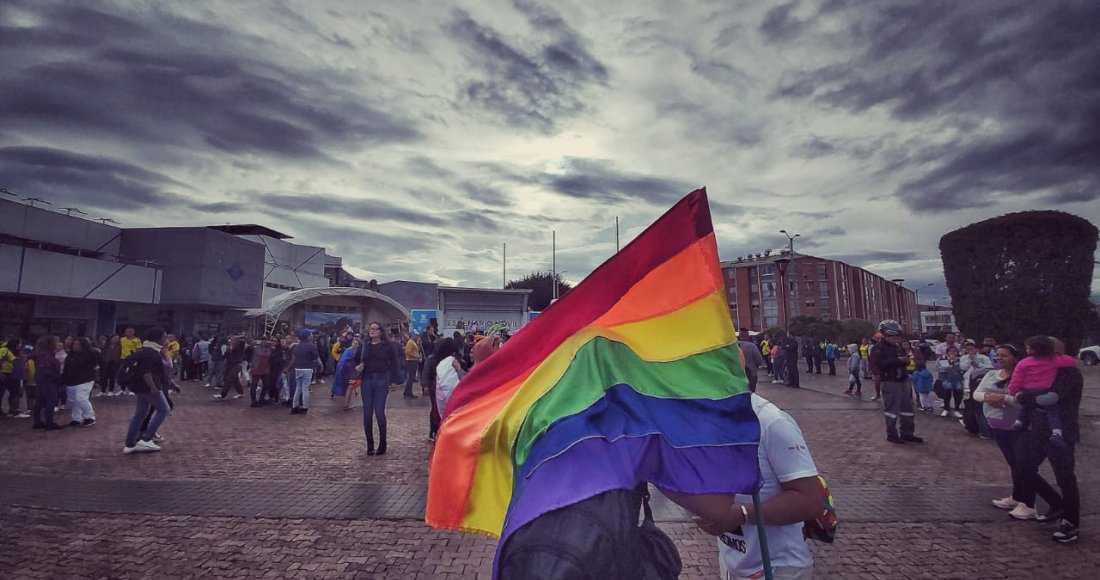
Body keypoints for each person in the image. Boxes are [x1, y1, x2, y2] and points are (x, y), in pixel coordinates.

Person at [671, 392, 822, 579]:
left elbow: (811, 499)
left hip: (778, 568)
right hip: (731, 564)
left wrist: (742, 515)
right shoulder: (703, 419)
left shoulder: (771, 422)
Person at [1007, 335, 1076, 447]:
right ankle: (1057, 432)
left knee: (1026, 405)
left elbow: (1016, 379)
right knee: (1052, 411)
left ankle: (1019, 422)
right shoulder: (1053, 360)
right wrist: (1058, 356)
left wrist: (1013, 391)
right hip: (1044, 389)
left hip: (1027, 389)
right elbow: (1071, 361)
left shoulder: (1024, 362)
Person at [870, 320, 922, 444]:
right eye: (891, 336)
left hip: (903, 380)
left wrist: (906, 361)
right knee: (892, 410)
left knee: (907, 409)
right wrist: (898, 360)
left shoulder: (898, 347)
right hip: (890, 381)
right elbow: (879, 364)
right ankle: (892, 434)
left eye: (896, 336)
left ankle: (907, 433)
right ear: (884, 334)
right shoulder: (878, 348)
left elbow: (905, 360)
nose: (894, 338)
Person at [122, 327, 172, 454]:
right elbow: (147, 371)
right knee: (164, 409)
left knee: (140, 414)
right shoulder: (152, 353)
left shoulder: (143, 351)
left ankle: (130, 443)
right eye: (164, 337)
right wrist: (153, 387)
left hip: (138, 386)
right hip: (148, 387)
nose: (165, 339)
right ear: (159, 338)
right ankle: (146, 438)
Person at [355, 322, 399, 454]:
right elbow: (356, 360)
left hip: (381, 379)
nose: (372, 331)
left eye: (375, 329)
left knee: (379, 412)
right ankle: (370, 445)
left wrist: (394, 381)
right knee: (367, 413)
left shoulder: (388, 346)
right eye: (370, 329)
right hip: (367, 379)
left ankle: (383, 443)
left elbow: (395, 363)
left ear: (381, 331)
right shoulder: (364, 346)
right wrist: (358, 367)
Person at [424, 337, 459, 442]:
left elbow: (426, 372)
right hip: (437, 386)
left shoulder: (433, 358)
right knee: (438, 408)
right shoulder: (452, 360)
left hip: (435, 386)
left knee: (436, 409)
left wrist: (425, 385)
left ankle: (435, 430)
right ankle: (436, 430)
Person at [62, 337, 100, 427]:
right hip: (72, 380)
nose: (76, 346)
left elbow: (100, 362)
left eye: (78, 344)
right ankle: (76, 418)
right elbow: (66, 368)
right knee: (74, 400)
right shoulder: (71, 355)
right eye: (75, 344)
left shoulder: (91, 353)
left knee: (81, 398)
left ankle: (89, 417)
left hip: (85, 380)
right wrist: (64, 380)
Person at [30, 335, 63, 430]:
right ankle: (49, 423)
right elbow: (48, 370)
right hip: (49, 381)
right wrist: (58, 378)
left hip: (40, 380)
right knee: (50, 402)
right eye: (56, 342)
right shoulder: (47, 356)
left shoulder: (39, 354)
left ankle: (37, 422)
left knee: (39, 401)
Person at [287, 330, 321, 415]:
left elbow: (294, 357)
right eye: (311, 334)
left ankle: (294, 407)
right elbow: (315, 357)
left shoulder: (297, 346)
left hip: (298, 368)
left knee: (298, 388)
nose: (312, 336)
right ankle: (305, 407)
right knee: (305, 388)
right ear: (307, 336)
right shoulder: (311, 346)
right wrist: (319, 365)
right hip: (307, 368)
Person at [936, 346, 965, 418]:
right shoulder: (942, 359)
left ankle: (957, 410)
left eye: (954, 351)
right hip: (946, 379)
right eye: (950, 351)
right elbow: (940, 368)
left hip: (957, 379)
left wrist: (955, 363)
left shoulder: (960, 359)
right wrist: (948, 366)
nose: (952, 353)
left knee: (958, 395)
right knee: (946, 394)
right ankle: (946, 409)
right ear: (947, 352)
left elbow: (962, 368)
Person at [1, 338, 26, 416]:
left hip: (11, 373)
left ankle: (12, 409)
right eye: (19, 343)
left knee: (14, 391)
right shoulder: (4, 349)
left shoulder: (15, 352)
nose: (20, 345)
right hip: (3, 372)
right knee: (1, 392)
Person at [403, 332, 420, 399]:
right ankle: (407, 393)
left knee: (411, 378)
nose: (417, 336)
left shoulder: (413, 342)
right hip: (411, 361)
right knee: (410, 378)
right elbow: (407, 352)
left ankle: (409, 392)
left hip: (413, 361)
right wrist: (416, 356)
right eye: (416, 335)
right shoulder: (410, 342)